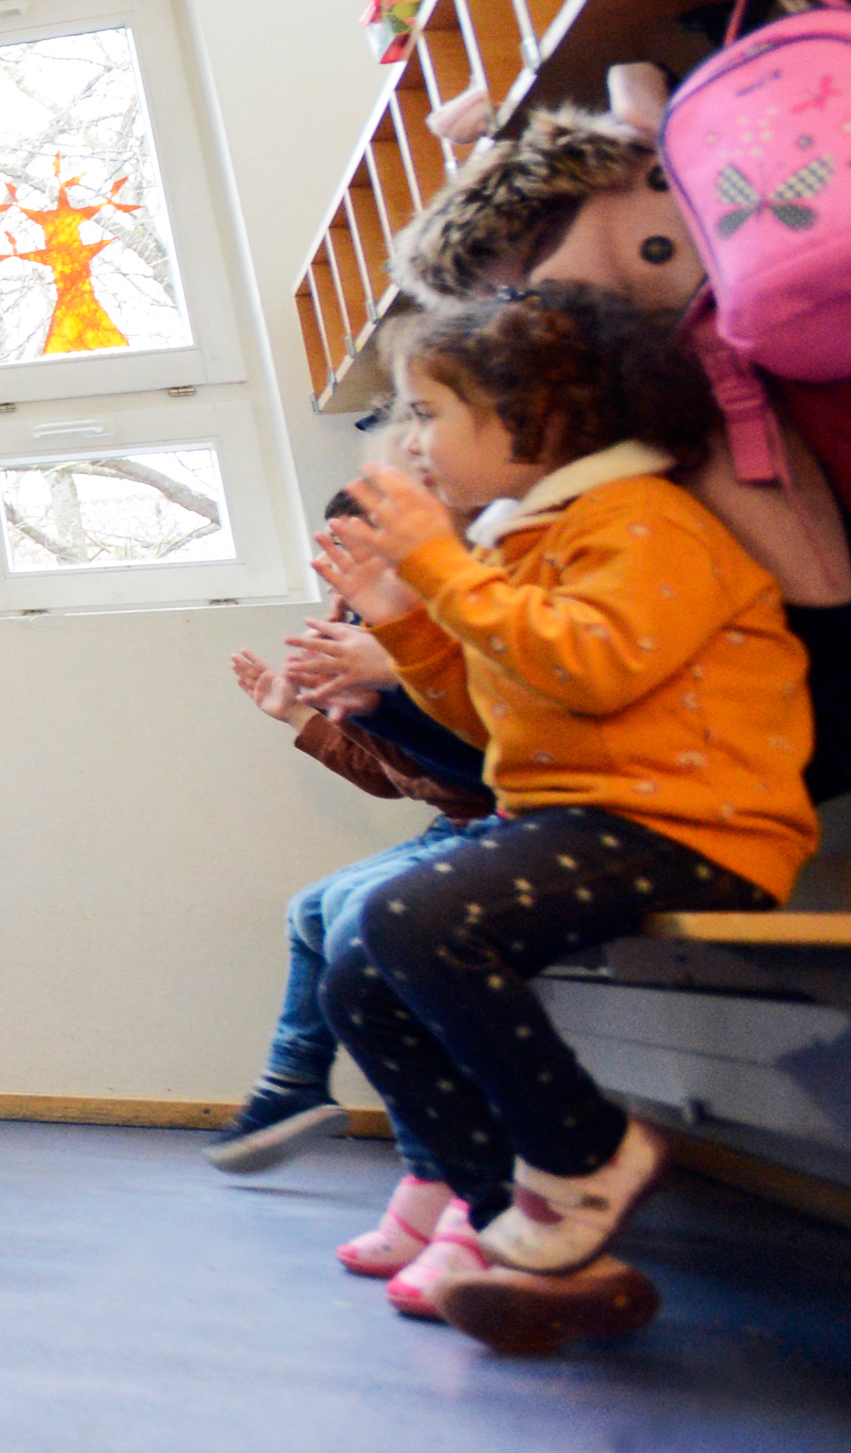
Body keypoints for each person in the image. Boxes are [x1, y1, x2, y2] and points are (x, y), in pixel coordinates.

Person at [316, 284, 815, 1353]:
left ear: (536, 419)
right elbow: (494, 711)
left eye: (427, 411)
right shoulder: (519, 539)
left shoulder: (642, 520)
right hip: (582, 820)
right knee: (358, 952)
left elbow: (587, 667)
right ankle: (519, 1229)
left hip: (691, 824)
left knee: (411, 921)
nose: (410, 441)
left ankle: (584, 1158)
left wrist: (440, 570)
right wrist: (411, 622)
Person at [227, 607, 498, 1315]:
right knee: (310, 907)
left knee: (355, 916)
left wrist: (380, 698)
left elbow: (471, 771)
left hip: (499, 825)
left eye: (350, 582)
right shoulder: (382, 646)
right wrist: (305, 714)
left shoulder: (448, 640)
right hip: (455, 826)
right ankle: (295, 1078)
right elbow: (395, 779)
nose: (336, 608)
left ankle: (439, 1168)